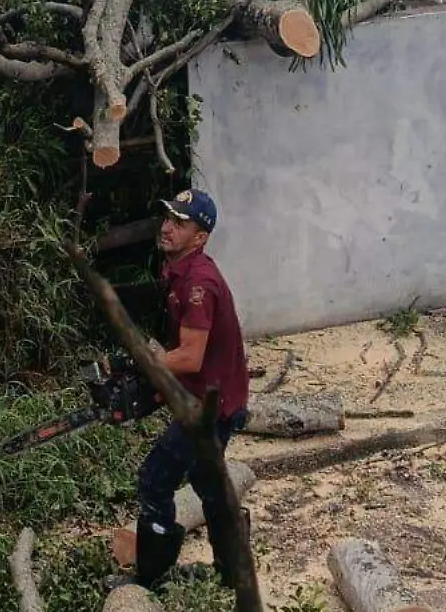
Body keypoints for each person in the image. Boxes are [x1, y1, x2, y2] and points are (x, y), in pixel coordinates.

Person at [133, 188, 251, 590]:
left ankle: (151, 580)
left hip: (211, 407)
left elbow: (189, 358)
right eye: (168, 218)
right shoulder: (179, 270)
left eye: (180, 224)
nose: (167, 228)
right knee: (209, 484)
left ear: (200, 237)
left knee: (155, 480)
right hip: (214, 396)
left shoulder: (199, 283)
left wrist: (144, 361)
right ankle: (233, 571)